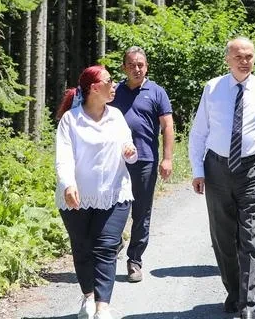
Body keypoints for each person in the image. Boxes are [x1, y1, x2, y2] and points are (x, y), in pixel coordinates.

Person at [189, 37, 255, 319]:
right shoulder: (213, 88)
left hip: (253, 168)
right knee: (222, 238)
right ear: (228, 59)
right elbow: (199, 133)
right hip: (217, 167)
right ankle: (233, 291)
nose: (245, 61)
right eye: (239, 57)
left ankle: (248, 303)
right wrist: (197, 170)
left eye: (250, 56)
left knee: (250, 237)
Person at [56, 65, 139, 319]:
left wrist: (130, 152)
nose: (114, 85)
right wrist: (68, 183)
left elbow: (130, 148)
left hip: (114, 194)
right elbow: (63, 157)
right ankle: (88, 297)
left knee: (106, 247)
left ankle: (103, 307)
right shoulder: (70, 120)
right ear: (94, 88)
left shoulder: (116, 116)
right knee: (82, 248)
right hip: (78, 196)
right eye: (109, 81)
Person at [108, 47, 175, 283]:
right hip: (115, 161)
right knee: (112, 206)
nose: (137, 69)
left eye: (141, 64)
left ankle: (134, 260)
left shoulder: (156, 92)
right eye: (133, 65)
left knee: (141, 212)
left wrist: (167, 158)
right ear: (124, 67)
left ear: (146, 66)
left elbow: (167, 126)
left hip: (145, 160)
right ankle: (115, 242)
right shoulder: (114, 92)